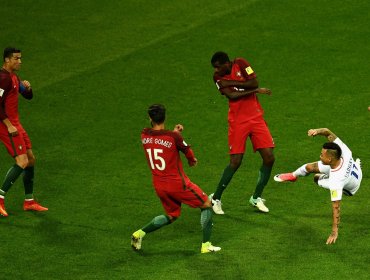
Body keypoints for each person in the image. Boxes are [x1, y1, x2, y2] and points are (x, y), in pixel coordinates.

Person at [131, 104, 221, 253]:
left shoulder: (144, 134)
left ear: (150, 118)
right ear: (165, 117)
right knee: (206, 204)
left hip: (159, 185)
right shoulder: (174, 137)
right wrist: (192, 160)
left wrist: (174, 134)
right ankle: (206, 245)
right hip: (178, 184)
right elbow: (187, 151)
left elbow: (160, 142)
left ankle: (139, 233)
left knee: (172, 215)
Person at [209, 51, 275, 214]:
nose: (216, 71)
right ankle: (215, 198)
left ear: (226, 63)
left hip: (256, 117)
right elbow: (232, 96)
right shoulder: (217, 77)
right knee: (235, 161)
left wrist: (239, 84)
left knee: (269, 158)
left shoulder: (241, 63)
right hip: (238, 121)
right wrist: (255, 90)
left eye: (218, 67)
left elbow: (254, 82)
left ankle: (256, 197)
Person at [274, 128, 362, 244]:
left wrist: (334, 231)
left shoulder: (336, 181)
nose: (320, 156)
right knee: (310, 167)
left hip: (351, 188)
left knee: (316, 178)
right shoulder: (344, 151)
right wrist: (317, 131)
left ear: (330, 159)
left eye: (322, 155)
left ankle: (320, 178)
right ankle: (293, 175)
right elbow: (327, 132)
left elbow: (336, 207)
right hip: (351, 170)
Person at [0, 47, 48, 217]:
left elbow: (27, 95)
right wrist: (8, 125)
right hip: (6, 125)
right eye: (16, 58)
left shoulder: (13, 77)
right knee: (22, 161)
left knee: (31, 159)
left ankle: (29, 201)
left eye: (20, 58)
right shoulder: (3, 79)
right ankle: (0, 198)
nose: (20, 61)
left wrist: (28, 88)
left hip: (16, 124)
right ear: (7, 60)